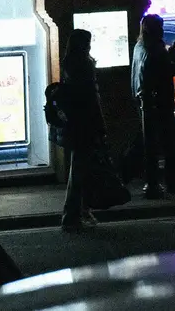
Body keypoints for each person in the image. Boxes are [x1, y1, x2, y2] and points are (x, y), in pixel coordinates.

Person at [131, 14, 175, 198]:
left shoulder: (139, 46)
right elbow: (171, 69)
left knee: (150, 144)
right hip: (160, 102)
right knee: (170, 143)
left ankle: (153, 183)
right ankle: (173, 181)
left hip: (144, 100)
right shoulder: (156, 47)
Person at [60, 27, 107, 232]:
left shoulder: (69, 63)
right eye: (88, 42)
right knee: (80, 169)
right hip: (86, 123)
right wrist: (101, 123)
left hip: (74, 123)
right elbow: (90, 99)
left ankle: (80, 211)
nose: (90, 45)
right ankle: (73, 214)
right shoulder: (84, 66)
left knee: (79, 167)